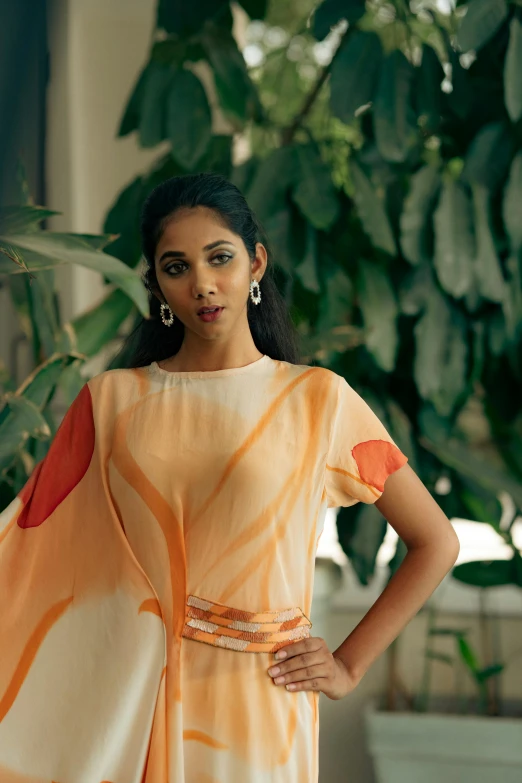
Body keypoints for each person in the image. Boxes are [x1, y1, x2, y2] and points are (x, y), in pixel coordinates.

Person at [0, 172, 460, 782]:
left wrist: (348, 666)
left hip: (262, 704)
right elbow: (30, 551)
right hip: (133, 698)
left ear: (256, 263)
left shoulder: (320, 401)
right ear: (157, 284)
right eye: (176, 266)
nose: (203, 284)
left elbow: (437, 542)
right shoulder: (109, 403)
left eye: (220, 258)